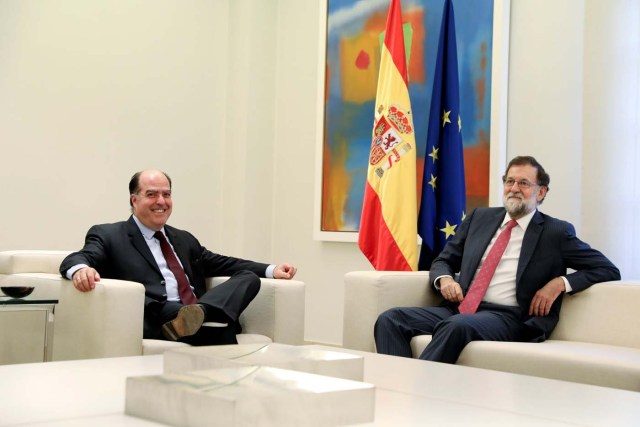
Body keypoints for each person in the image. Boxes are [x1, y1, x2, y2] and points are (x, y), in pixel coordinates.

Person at [374, 156, 620, 363]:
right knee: (390, 319)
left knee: (457, 326)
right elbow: (443, 260)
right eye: (510, 181)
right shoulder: (479, 218)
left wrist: (558, 284)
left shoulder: (555, 232)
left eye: (524, 183)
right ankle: (395, 386)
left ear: (541, 192)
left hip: (510, 317)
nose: (514, 188)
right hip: (461, 308)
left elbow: (606, 268)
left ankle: (410, 391)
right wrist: (446, 279)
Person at [60, 169, 298, 345]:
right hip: (159, 317)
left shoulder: (183, 239)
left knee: (247, 277)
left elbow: (221, 262)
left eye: (166, 194)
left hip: (191, 312)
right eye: (152, 194)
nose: (161, 201)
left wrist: (271, 269)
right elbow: (77, 258)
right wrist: (81, 269)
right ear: (135, 200)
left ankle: (200, 314)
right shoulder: (110, 235)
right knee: (220, 331)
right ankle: (201, 321)